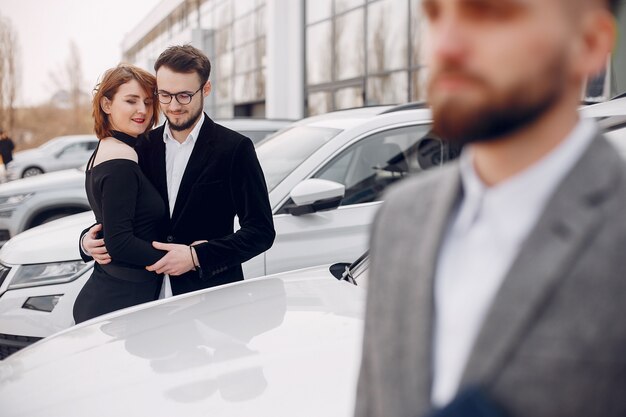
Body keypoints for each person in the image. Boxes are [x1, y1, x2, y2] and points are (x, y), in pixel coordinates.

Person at [355, 1, 622, 417]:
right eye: (435, 15)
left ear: (589, 43)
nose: (444, 46)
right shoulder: (399, 219)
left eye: (491, 13)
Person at [81, 45, 275, 297]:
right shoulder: (140, 146)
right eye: (164, 95)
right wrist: (86, 241)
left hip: (210, 296)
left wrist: (197, 256)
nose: (173, 106)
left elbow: (261, 232)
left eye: (184, 95)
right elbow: (122, 212)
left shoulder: (235, 148)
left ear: (205, 89)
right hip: (143, 297)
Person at [73, 64, 165, 323]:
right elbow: (120, 243)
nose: (143, 110)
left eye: (148, 102)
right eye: (131, 101)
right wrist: (183, 258)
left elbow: (115, 219)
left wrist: (85, 241)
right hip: (119, 304)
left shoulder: (114, 148)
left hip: (115, 295)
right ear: (106, 105)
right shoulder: (120, 160)